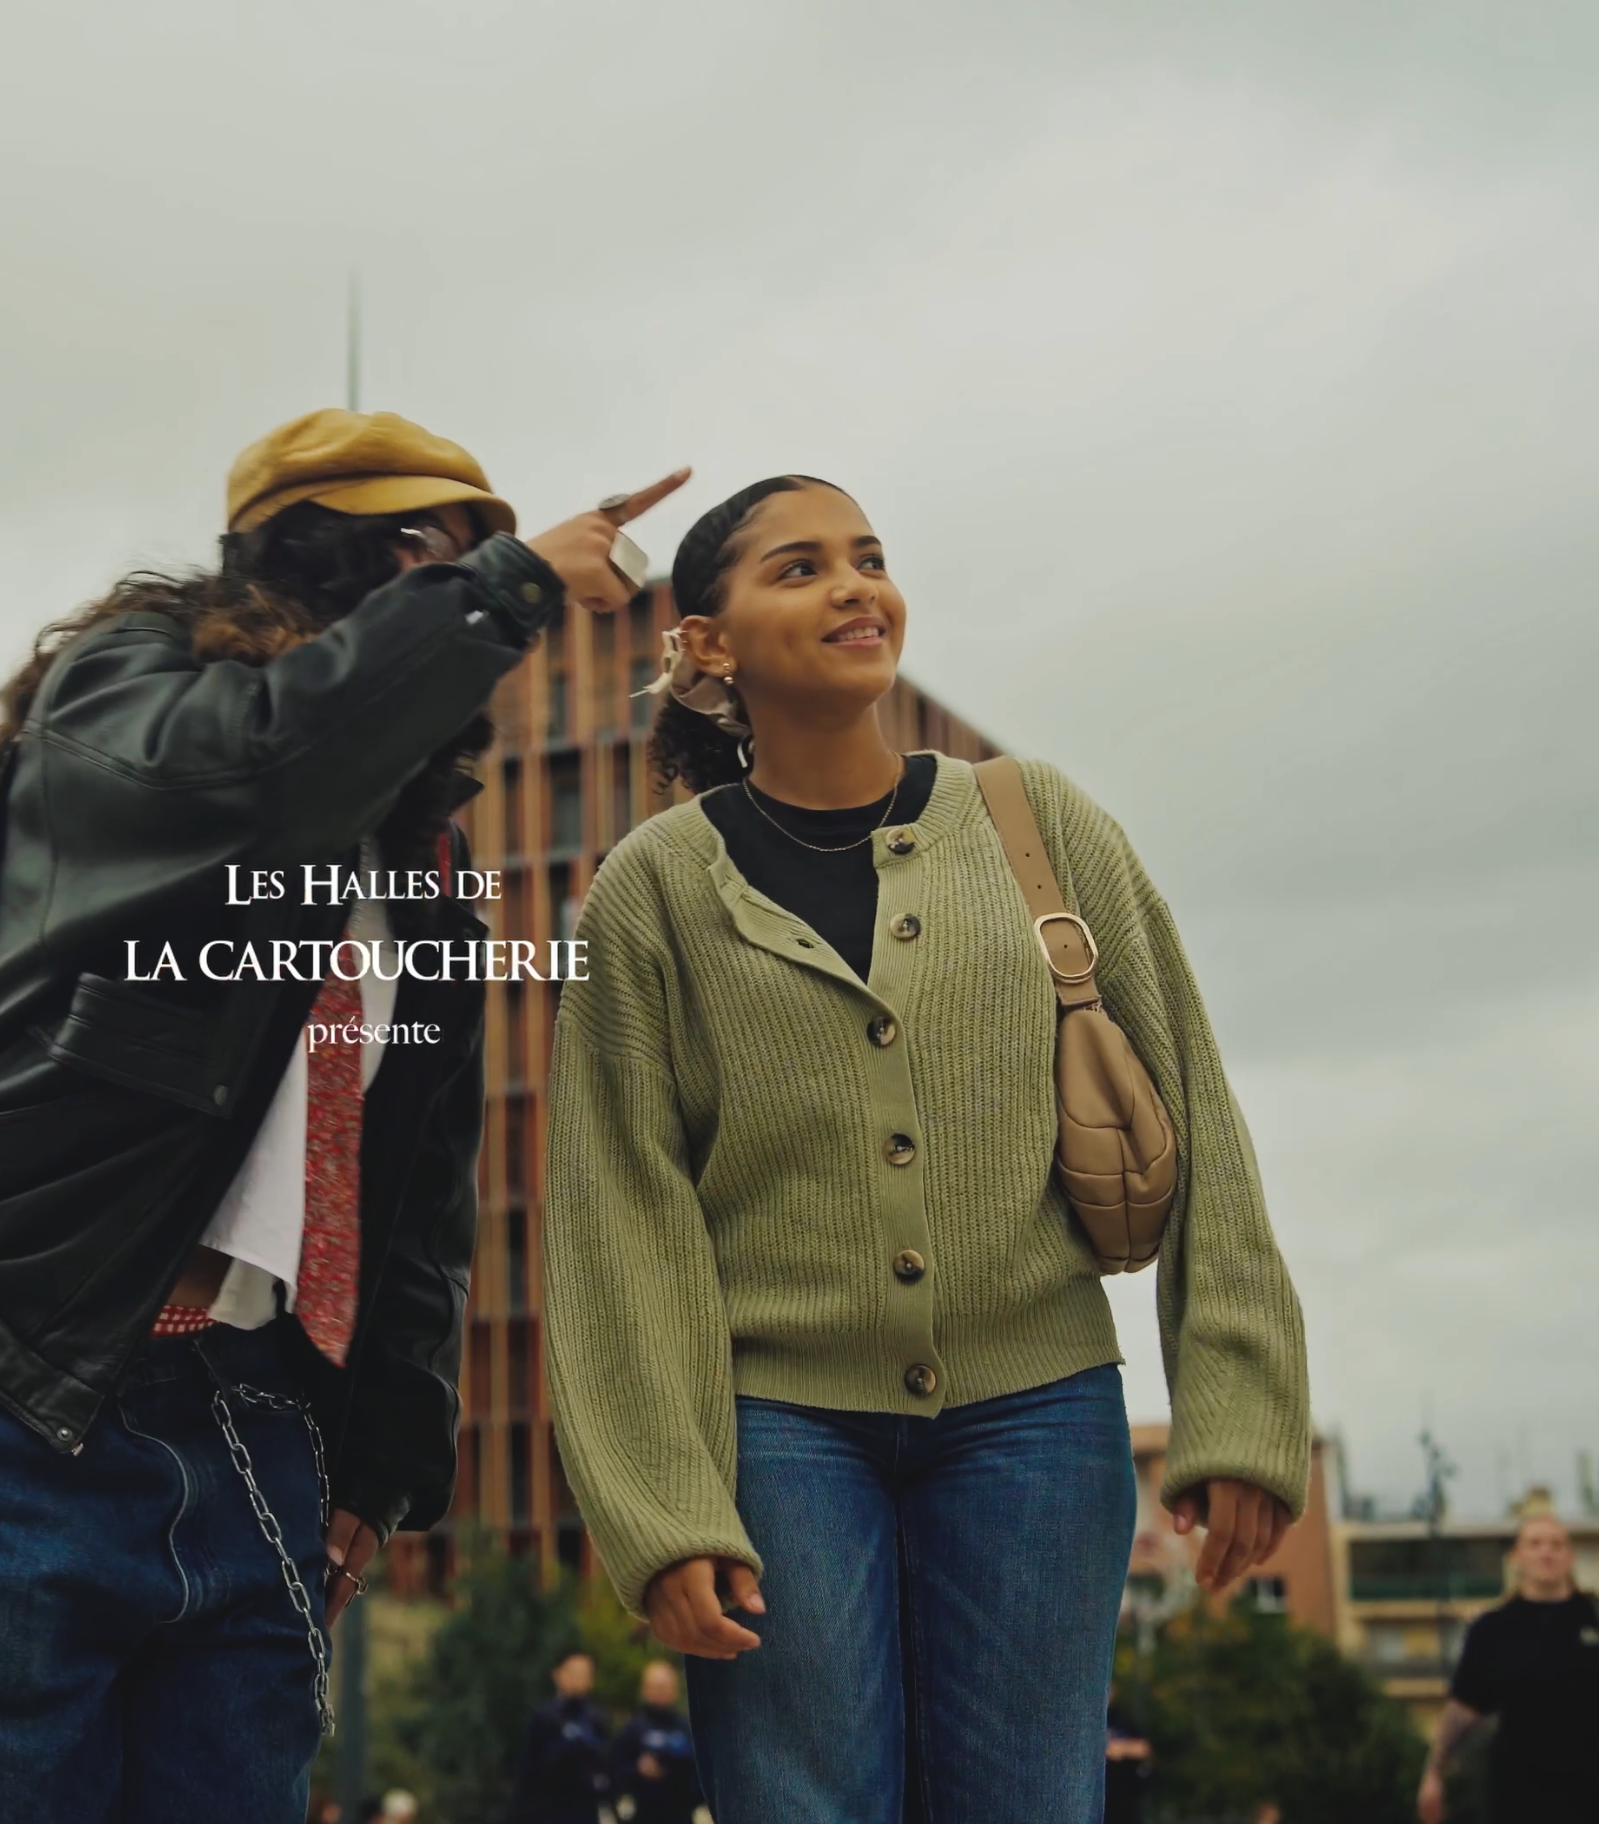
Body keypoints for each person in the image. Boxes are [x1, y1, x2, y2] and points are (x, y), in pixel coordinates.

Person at [0, 406, 684, 1824]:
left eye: (478, 560)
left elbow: (419, 1193)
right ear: (302, 559)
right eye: (428, 550)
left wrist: (378, 1459)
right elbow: (255, 776)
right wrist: (510, 586)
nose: (462, 591)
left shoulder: (420, 883)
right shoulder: (123, 703)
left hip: (249, 1434)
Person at [540, 475, 1312, 1824]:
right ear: (706, 642)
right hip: (774, 1435)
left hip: (1040, 1413)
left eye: (871, 558)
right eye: (801, 568)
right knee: (799, 1806)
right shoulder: (650, 892)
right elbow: (616, 1212)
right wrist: (662, 1505)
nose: (855, 587)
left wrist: (1239, 1405)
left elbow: (1194, 1092)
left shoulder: (1039, 822)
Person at [1420, 1513, 1599, 1824]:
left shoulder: (1593, 1618)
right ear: (1516, 1557)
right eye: (1535, 1543)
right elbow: (1462, 1711)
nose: (1546, 1552)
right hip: (1520, 1793)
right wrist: (1434, 1774)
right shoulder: (1492, 1629)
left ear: (1569, 1557)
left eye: (1556, 1545)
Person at [517, 1649, 613, 1824]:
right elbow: (528, 1768)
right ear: (557, 1674)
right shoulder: (544, 1717)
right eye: (573, 1672)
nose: (578, 1679)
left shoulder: (596, 1719)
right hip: (548, 1809)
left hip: (585, 1810)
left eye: (584, 1674)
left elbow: (606, 1764)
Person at [611, 1659, 703, 1823]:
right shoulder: (631, 1730)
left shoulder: (687, 1728)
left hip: (680, 1815)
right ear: (644, 1689)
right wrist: (638, 1770)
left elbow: (700, 1773)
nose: (660, 1691)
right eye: (654, 1686)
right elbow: (614, 1773)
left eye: (664, 1685)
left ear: (675, 1689)